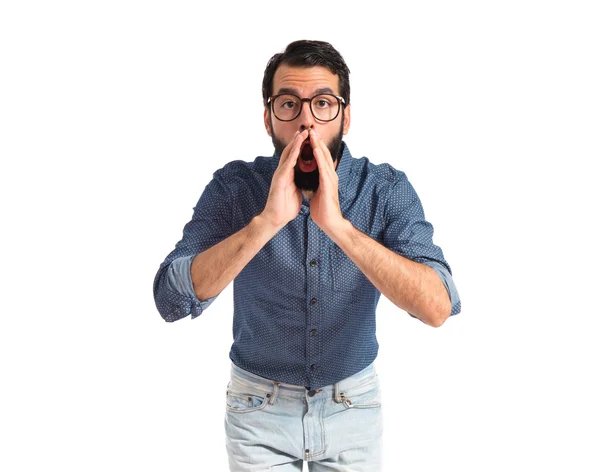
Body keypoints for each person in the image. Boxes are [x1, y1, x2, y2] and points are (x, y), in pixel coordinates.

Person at [153, 39, 461, 471]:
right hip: (257, 410)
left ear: (346, 116)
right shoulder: (234, 187)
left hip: (352, 407)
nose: (306, 122)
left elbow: (436, 306)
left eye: (322, 104)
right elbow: (170, 297)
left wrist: (339, 226)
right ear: (268, 117)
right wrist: (265, 223)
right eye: (288, 105)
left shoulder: (385, 189)